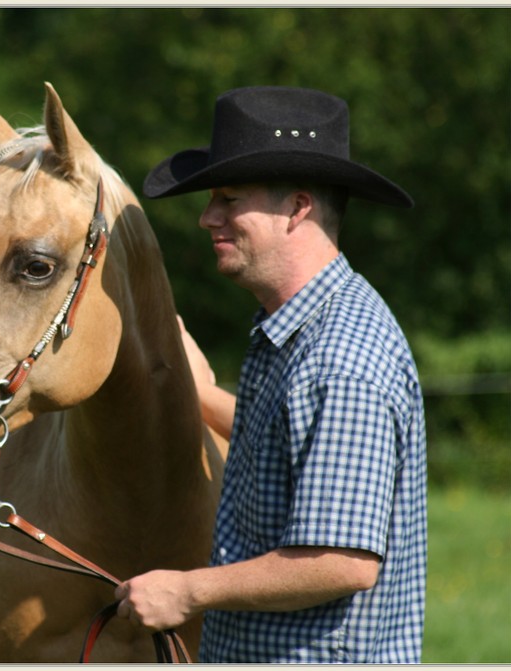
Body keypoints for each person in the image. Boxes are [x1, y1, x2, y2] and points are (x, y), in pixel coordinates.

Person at [115, 86, 427, 663]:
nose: (208, 217)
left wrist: (186, 591)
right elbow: (295, 448)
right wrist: (200, 394)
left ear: (298, 208)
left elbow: (342, 561)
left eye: (229, 199)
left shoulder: (342, 358)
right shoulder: (297, 328)